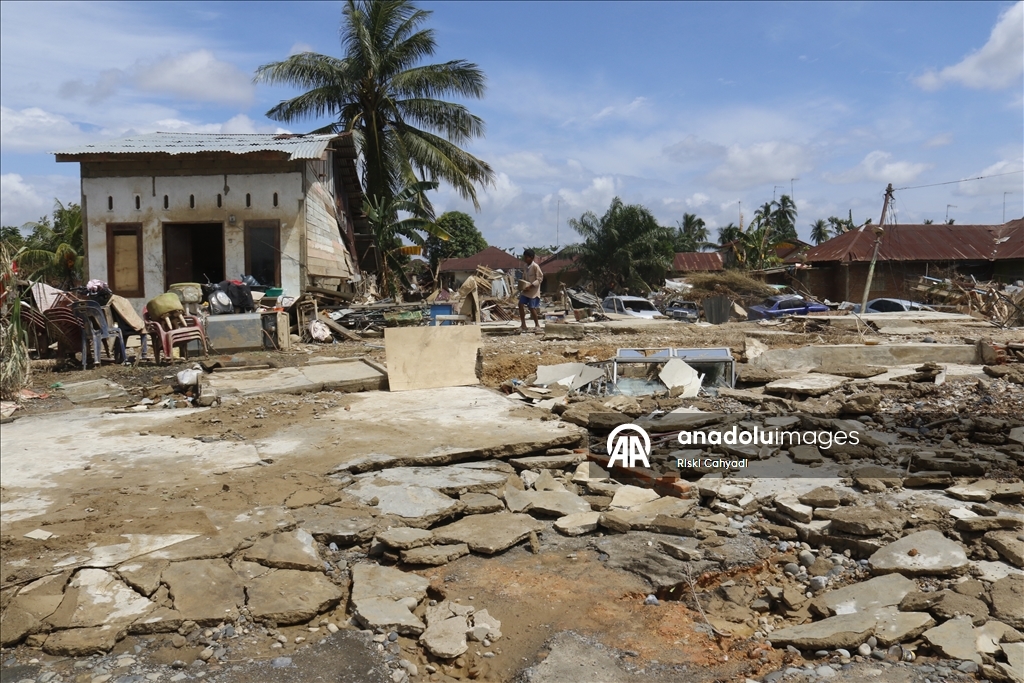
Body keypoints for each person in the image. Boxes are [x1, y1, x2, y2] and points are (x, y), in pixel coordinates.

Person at [518, 249, 544, 332]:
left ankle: (537, 325)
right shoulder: (525, 266)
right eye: (524, 257)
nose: (525, 259)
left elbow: (540, 278)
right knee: (520, 304)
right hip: (526, 290)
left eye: (527, 257)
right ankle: (523, 325)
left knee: (532, 307)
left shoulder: (535, 266)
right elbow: (524, 277)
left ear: (532, 258)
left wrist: (531, 285)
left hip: (533, 291)